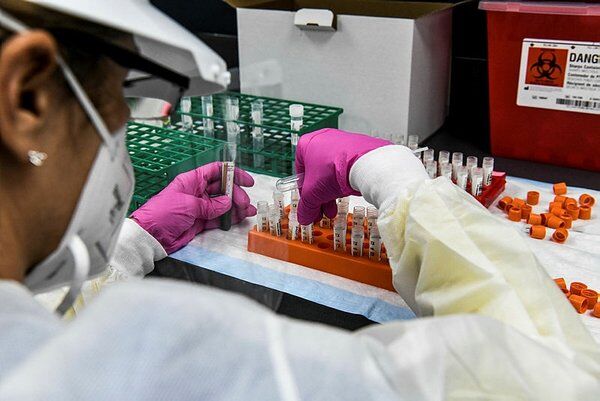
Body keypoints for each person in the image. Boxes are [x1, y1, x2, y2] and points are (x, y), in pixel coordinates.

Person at [0, 1, 599, 400]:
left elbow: (38, 333)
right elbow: (554, 380)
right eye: (120, 99)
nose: (125, 131)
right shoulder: (165, 360)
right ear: (28, 97)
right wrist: (399, 182)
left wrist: (133, 244)